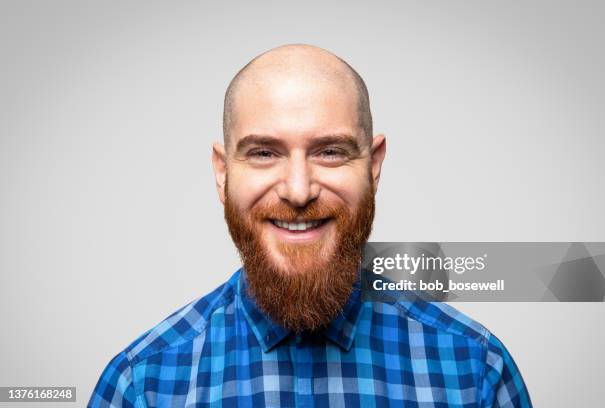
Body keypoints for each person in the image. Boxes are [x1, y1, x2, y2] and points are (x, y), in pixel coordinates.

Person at [89, 44, 532, 407]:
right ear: (223, 173)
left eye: (330, 151)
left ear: (374, 166)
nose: (298, 191)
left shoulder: (475, 372)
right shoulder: (142, 386)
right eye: (263, 152)